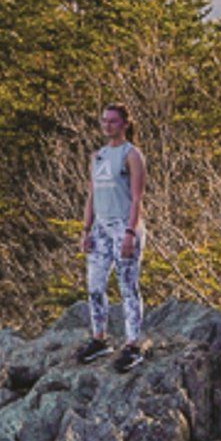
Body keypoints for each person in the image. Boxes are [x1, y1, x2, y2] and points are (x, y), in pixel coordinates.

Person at [78, 102, 147, 369]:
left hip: (124, 226)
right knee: (95, 286)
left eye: (113, 121)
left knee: (128, 286)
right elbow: (92, 196)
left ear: (125, 124)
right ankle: (99, 339)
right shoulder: (97, 156)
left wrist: (130, 232)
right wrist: (86, 230)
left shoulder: (132, 155)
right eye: (104, 121)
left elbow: (137, 197)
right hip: (101, 228)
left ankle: (133, 345)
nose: (107, 125)